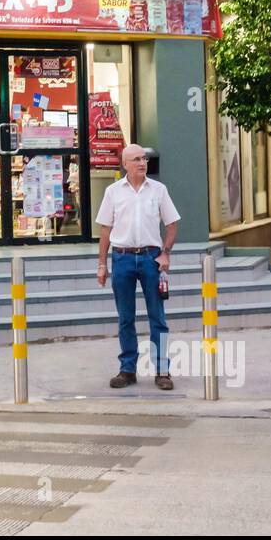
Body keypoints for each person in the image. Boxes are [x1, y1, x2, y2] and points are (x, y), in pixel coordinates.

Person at [95, 144, 181, 390]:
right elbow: (105, 229)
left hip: (150, 258)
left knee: (158, 317)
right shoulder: (113, 192)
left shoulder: (158, 190)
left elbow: (172, 224)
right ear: (125, 164)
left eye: (144, 158)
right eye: (136, 159)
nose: (142, 163)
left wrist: (165, 253)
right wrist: (102, 264)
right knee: (125, 317)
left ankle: (162, 370)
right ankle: (127, 369)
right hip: (121, 258)